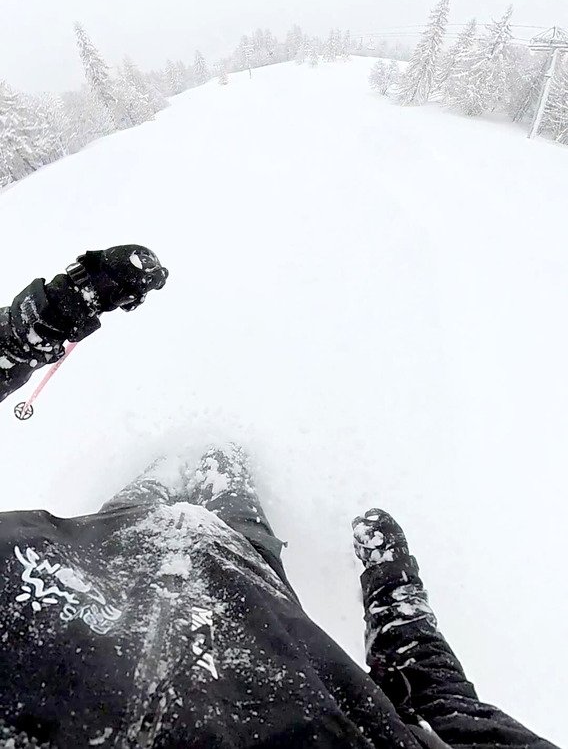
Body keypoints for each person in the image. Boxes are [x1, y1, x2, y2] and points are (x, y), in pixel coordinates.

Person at [0, 252, 558, 749]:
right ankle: (217, 458)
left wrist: (27, 332)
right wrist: (402, 622)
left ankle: (200, 458)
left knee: (180, 472)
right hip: (242, 558)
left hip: (117, 529)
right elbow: (453, 714)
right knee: (223, 469)